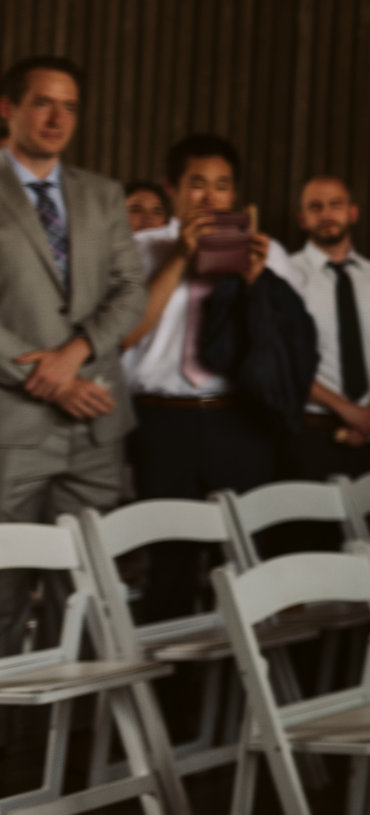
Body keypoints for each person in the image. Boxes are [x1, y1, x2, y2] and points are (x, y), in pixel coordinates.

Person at [122, 134, 314, 619]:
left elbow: (290, 347)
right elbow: (121, 334)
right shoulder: (139, 247)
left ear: (235, 194)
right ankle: (170, 693)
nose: (210, 198)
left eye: (222, 186)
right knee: (169, 563)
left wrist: (256, 281)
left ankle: (245, 688)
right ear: (172, 188)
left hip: (239, 420)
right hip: (160, 421)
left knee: (249, 556)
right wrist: (179, 257)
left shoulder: (269, 256)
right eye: (197, 184)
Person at [0, 57, 144, 649]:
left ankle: (75, 741)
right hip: (14, 429)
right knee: (3, 593)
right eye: (43, 102)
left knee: (89, 598)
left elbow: (130, 290)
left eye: (70, 106)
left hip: (95, 428)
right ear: (7, 108)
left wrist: (78, 350)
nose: (58, 118)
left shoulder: (103, 194)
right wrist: (51, 376)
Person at [285, 175, 370, 480]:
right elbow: (285, 362)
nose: (326, 214)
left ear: (352, 213)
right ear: (302, 219)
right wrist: (347, 410)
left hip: (369, 433)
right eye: (316, 207)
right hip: (307, 432)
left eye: (335, 205)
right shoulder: (285, 276)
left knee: (368, 526)